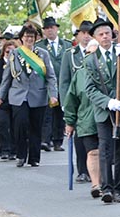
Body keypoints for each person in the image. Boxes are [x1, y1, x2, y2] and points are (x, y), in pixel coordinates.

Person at [84, 19, 120, 203]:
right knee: (105, 148)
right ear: (95, 38)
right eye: (101, 34)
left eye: (107, 33)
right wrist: (107, 102)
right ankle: (106, 188)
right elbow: (89, 89)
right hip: (105, 110)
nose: (105, 37)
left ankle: (118, 188)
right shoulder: (91, 60)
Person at [0, 24, 58, 167]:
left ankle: (34, 158)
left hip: (38, 95)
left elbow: (51, 76)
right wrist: (1, 96)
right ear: (21, 38)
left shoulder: (43, 54)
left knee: (36, 127)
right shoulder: (15, 54)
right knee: (20, 124)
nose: (29, 39)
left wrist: (53, 94)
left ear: (36, 38)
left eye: (32, 37)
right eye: (26, 37)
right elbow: (7, 77)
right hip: (19, 95)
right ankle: (21, 155)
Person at [63, 38, 102, 197]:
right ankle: (96, 184)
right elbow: (72, 99)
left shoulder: (109, 71)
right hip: (86, 121)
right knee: (93, 152)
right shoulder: (79, 75)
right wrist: (69, 122)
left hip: (107, 119)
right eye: (88, 54)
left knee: (106, 153)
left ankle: (108, 183)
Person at [59, 21, 94, 183]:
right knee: (80, 138)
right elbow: (64, 80)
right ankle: (82, 171)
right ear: (77, 35)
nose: (86, 36)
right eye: (83, 33)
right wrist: (65, 104)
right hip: (78, 102)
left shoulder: (97, 51)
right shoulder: (70, 54)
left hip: (95, 101)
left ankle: (97, 172)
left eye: (89, 33)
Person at [37, 16, 72, 152]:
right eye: (46, 28)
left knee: (60, 114)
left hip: (62, 83)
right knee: (47, 113)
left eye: (51, 27)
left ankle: (58, 141)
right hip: (47, 84)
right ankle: (45, 140)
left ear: (57, 28)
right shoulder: (39, 46)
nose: (49, 30)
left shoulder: (67, 45)